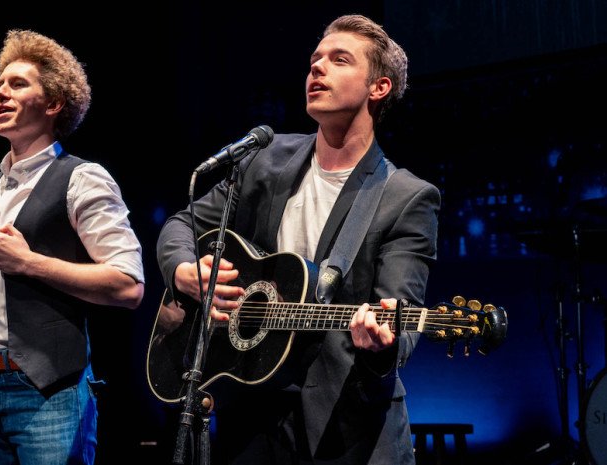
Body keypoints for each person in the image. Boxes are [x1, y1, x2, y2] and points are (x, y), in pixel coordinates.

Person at [156, 14, 439, 465]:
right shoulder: (264, 159)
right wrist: (185, 271)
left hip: (346, 427)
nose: (317, 68)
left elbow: (399, 324)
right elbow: (181, 224)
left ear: (379, 87)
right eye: (314, 60)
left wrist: (382, 344)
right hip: (250, 412)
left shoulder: (405, 197)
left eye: (339, 60)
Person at [0, 30, 144, 465]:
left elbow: (128, 286)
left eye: (18, 84)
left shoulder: (82, 178)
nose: (0, 93)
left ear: (53, 104)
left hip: (49, 393)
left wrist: (31, 263)